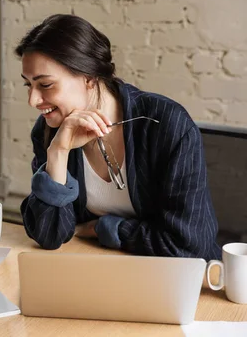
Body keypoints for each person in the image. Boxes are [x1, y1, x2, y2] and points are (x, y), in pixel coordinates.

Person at [17, 14, 221, 261]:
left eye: (45, 85)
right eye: (28, 85)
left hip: (181, 282)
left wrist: (103, 228)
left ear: (89, 78)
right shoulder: (50, 132)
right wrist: (57, 154)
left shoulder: (165, 124)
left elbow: (188, 246)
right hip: (96, 268)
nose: (32, 100)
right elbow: (49, 235)